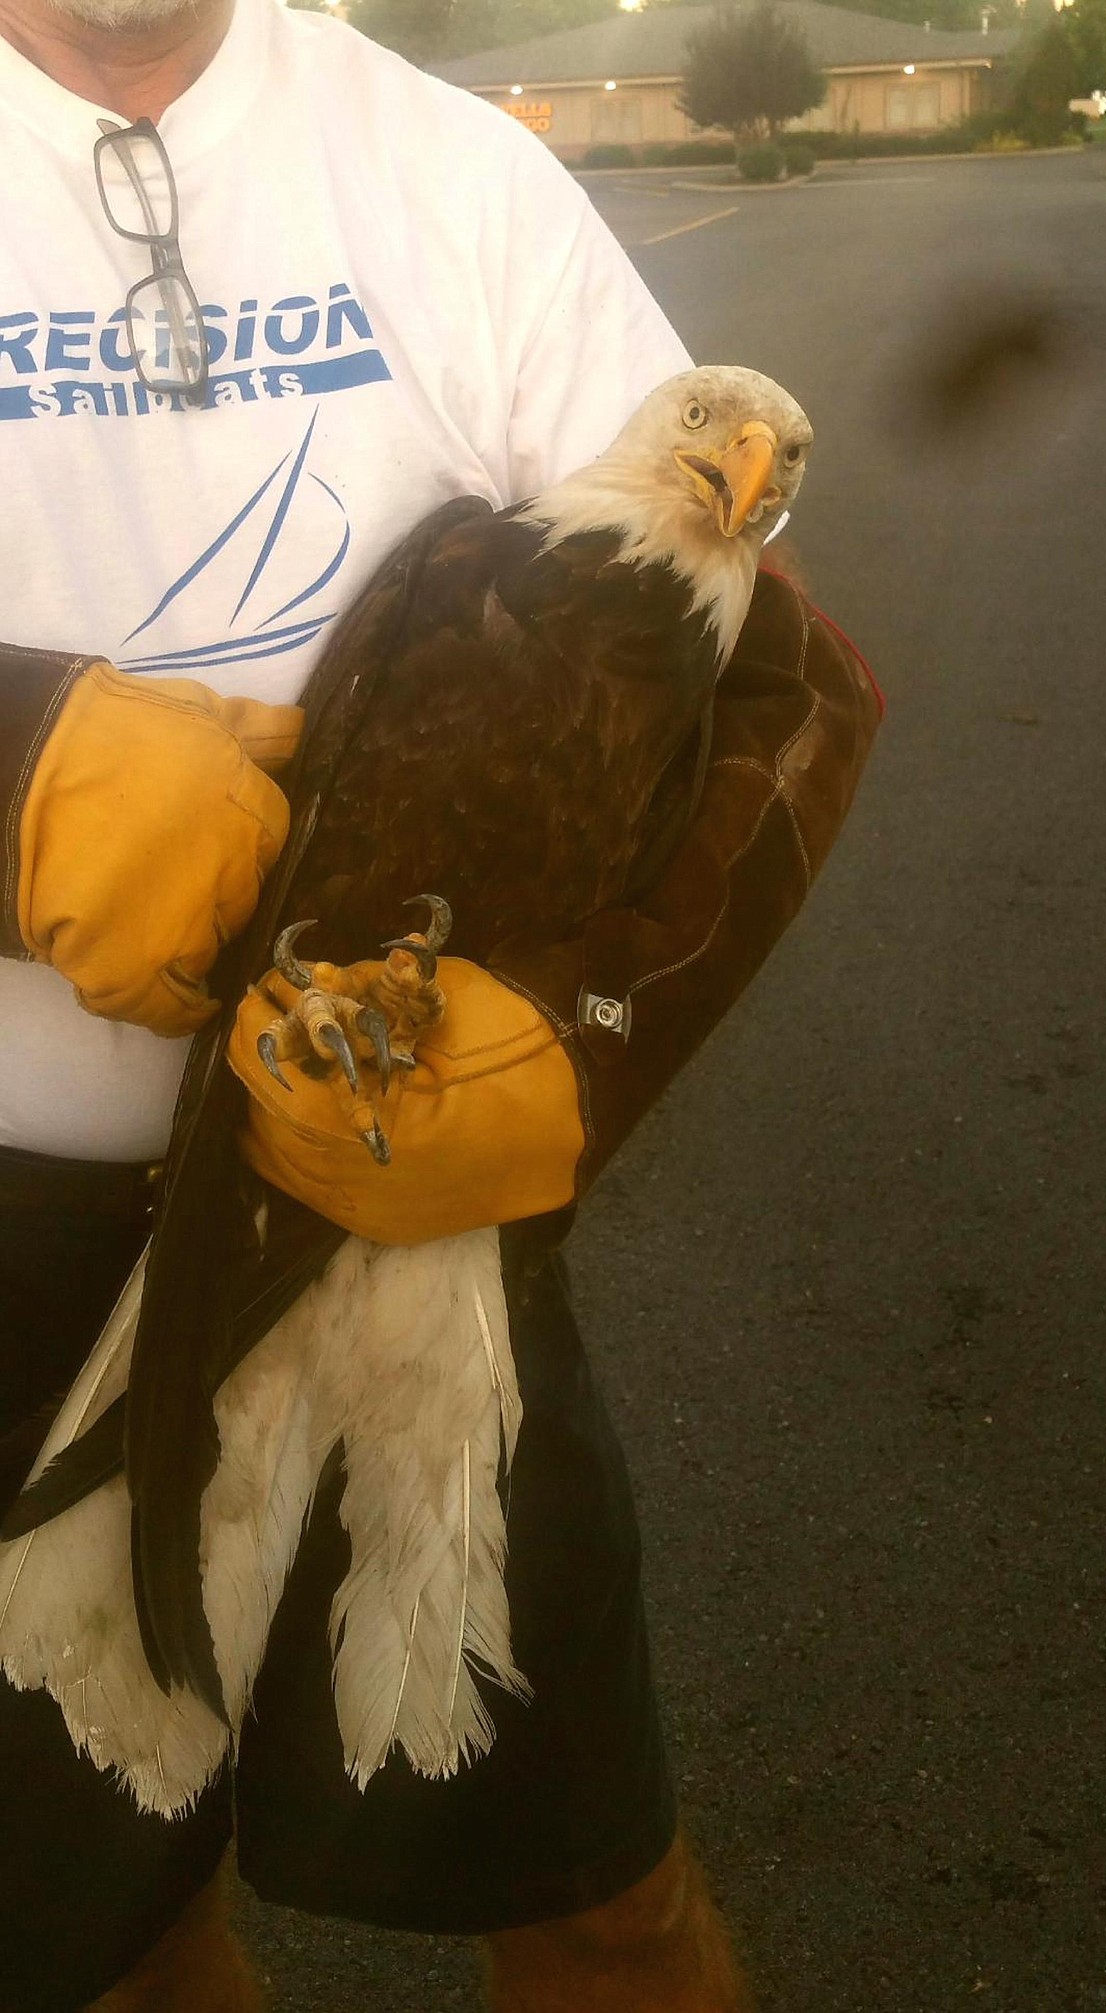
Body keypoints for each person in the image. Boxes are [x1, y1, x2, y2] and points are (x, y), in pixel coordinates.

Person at [0, 0, 882, 2004]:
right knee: (90, 1936)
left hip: (407, 1203)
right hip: (5, 1227)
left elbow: (775, 689)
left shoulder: (451, 175)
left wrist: (583, 1051)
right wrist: (10, 763)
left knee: (596, 1893)